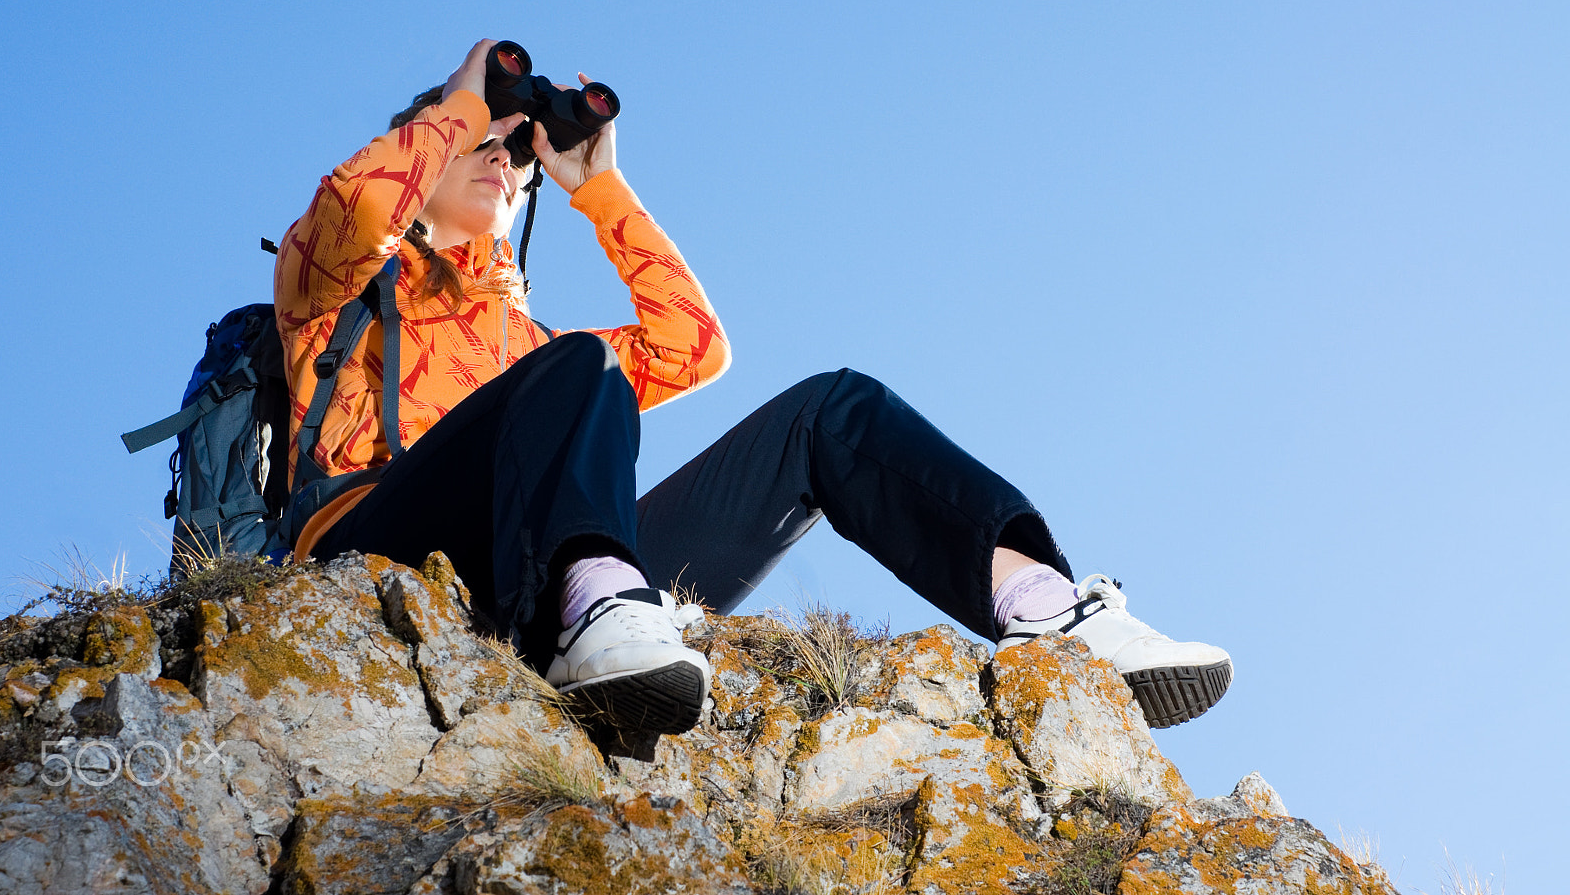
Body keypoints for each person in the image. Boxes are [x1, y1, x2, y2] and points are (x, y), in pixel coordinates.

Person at [274, 39, 1233, 736]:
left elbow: (690, 347)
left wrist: (598, 190)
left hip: (551, 578)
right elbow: (359, 204)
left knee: (832, 407)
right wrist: (464, 101)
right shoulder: (333, 288)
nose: (502, 158)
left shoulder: (535, 342)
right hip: (376, 553)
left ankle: (1047, 612)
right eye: (480, 143)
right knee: (577, 368)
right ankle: (599, 612)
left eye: (517, 155)